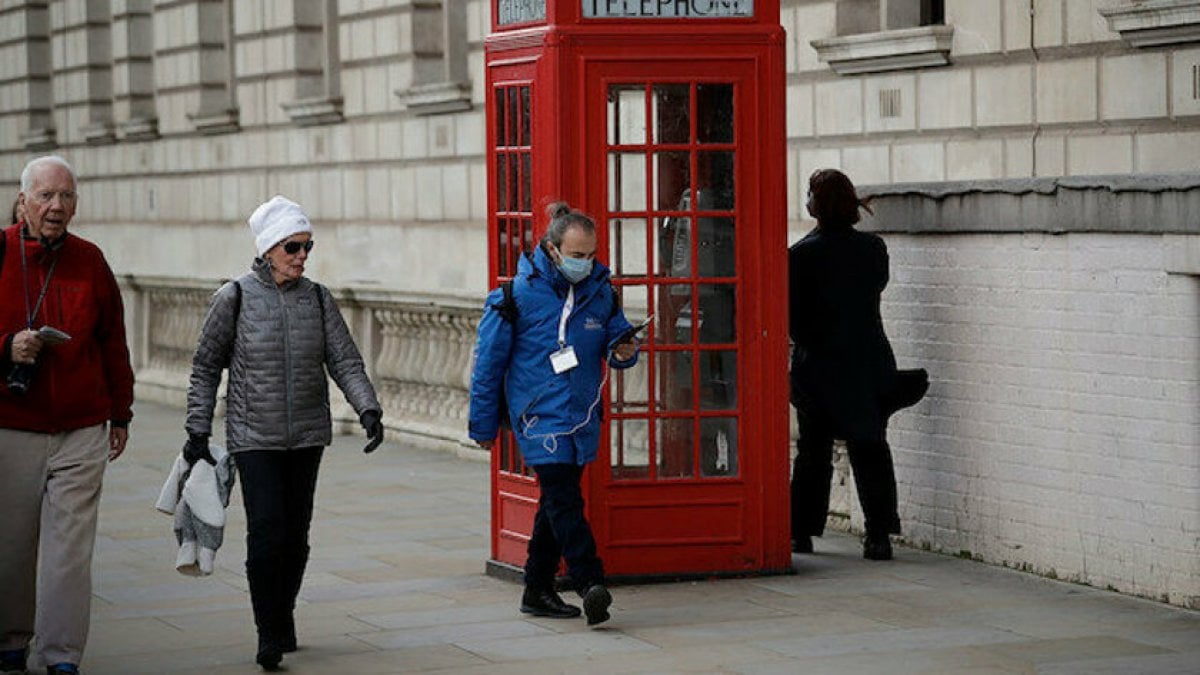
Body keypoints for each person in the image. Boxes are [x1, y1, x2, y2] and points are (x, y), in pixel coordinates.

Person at [184, 195, 383, 671]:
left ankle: (283, 610)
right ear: (269, 247)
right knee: (267, 535)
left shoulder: (317, 297)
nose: (301, 256)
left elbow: (345, 360)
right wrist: (196, 429)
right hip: (254, 437)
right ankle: (268, 631)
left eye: (307, 247)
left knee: (296, 537)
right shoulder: (234, 297)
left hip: (307, 436)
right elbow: (205, 366)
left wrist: (368, 408)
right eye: (293, 246)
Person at [469, 202, 640, 626]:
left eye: (591, 255)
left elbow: (615, 338)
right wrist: (483, 425)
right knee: (565, 497)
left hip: (580, 413)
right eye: (576, 255)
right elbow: (487, 365)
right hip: (538, 414)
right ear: (551, 248)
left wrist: (625, 350)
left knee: (554, 502)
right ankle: (589, 582)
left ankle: (537, 587)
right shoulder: (514, 296)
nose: (585, 263)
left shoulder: (600, 291)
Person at [0, 155, 135, 675]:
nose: (57, 207)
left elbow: (112, 343)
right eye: (47, 196)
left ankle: (60, 656)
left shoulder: (90, 260)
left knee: (69, 552)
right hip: (12, 426)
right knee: (11, 546)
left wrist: (119, 414)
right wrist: (6, 346)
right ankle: (10, 637)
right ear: (24, 199)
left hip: (81, 427)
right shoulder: (0, 252)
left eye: (67, 196)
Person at [788, 169, 902, 561]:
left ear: (815, 204)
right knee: (870, 447)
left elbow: (793, 316)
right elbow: (874, 290)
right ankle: (878, 536)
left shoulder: (800, 255)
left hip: (818, 365)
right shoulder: (874, 249)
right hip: (868, 361)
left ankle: (800, 532)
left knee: (812, 453)